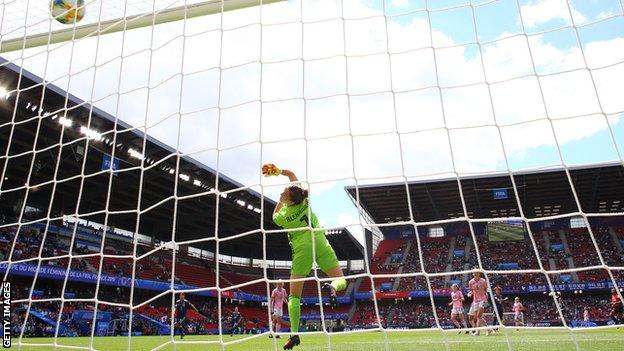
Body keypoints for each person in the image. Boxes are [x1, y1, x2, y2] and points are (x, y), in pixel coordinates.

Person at [264, 164, 348, 350]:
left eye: (283, 193)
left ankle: (294, 335)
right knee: (341, 279)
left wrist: (277, 185)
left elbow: (274, 215)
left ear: (289, 201)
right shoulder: (304, 201)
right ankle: (333, 286)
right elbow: (292, 174)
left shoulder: (283, 216)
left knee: (294, 296)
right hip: (319, 240)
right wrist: (278, 171)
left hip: (302, 248)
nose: (281, 193)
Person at [467, 269, 489, 336]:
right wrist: (469, 294)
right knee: (479, 317)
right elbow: (471, 290)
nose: (475, 273)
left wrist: (486, 300)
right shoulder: (471, 282)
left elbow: (486, 290)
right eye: (474, 273)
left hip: (483, 299)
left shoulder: (483, 281)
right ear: (473, 274)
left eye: (477, 272)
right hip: (475, 301)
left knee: (479, 316)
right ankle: (489, 329)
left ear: (479, 273)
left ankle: (478, 332)